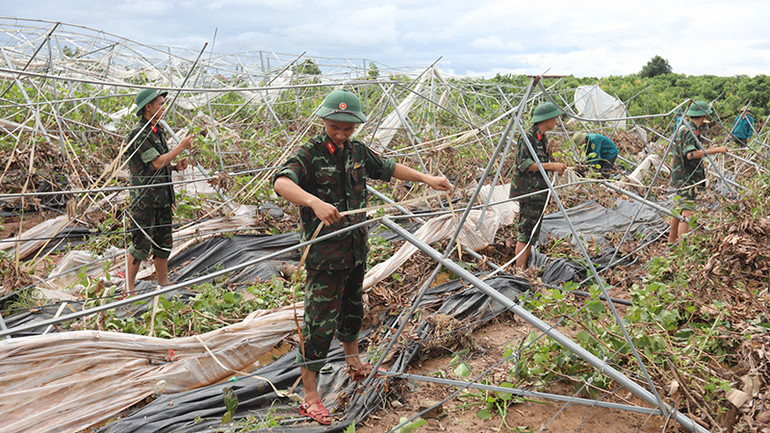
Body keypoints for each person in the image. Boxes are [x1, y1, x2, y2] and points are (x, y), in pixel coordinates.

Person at [273, 90, 452, 425]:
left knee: (353, 308)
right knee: (318, 323)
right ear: (324, 121)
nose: (341, 134)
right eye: (335, 127)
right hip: (325, 255)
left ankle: (354, 364)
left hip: (355, 249)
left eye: (347, 128)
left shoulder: (356, 151)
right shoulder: (310, 154)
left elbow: (389, 168)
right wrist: (313, 202)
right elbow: (282, 182)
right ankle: (311, 395)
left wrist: (428, 179)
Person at [125, 89, 193, 294]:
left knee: (163, 241)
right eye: (160, 104)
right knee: (140, 244)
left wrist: (174, 167)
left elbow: (161, 163)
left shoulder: (156, 130)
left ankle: (163, 282)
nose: (164, 108)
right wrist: (180, 147)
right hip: (145, 200)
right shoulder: (139, 133)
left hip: (162, 197)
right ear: (148, 107)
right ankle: (128, 289)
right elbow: (155, 163)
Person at [510, 102, 568, 269]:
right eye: (555, 118)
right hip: (529, 192)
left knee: (532, 233)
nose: (556, 121)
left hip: (538, 192)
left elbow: (539, 163)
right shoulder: (527, 136)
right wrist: (552, 166)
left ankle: (524, 269)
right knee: (525, 233)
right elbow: (525, 164)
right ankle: (519, 270)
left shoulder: (542, 138)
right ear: (547, 119)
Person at [668, 100, 727, 243]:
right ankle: (682, 248)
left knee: (679, 207)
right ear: (703, 115)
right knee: (686, 212)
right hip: (687, 177)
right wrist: (716, 150)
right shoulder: (689, 130)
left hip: (681, 174)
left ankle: (671, 241)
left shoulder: (685, 127)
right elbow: (690, 154)